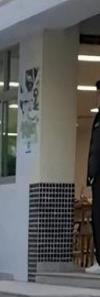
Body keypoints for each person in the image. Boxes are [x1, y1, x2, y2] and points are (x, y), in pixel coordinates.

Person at [86, 80, 100, 275]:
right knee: (96, 218)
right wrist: (90, 175)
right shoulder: (97, 118)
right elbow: (93, 150)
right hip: (97, 177)